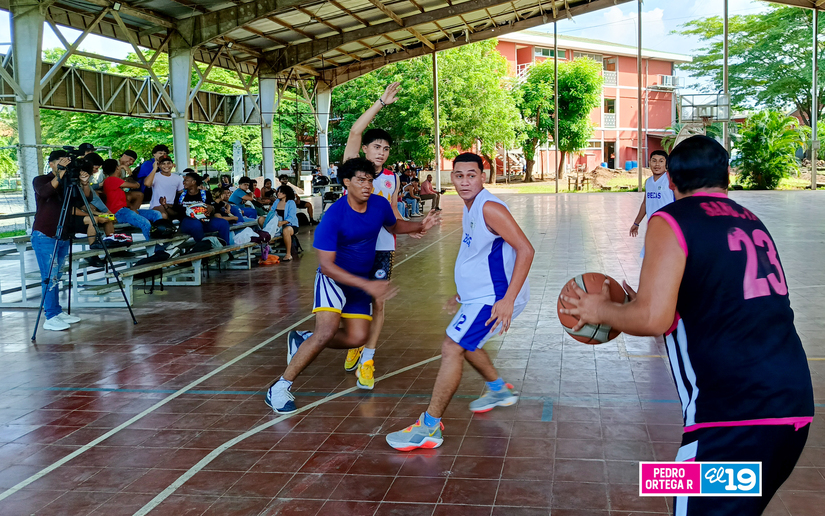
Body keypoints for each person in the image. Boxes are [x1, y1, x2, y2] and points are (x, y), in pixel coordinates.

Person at [561, 135, 813, 515]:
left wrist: (603, 311)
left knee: (689, 495)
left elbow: (652, 318)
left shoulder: (671, 219)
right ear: (727, 175)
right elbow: (714, 299)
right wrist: (643, 300)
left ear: (672, 183)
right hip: (791, 412)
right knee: (682, 484)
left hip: (733, 418)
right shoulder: (749, 219)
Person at [264, 157, 440, 413]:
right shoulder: (334, 215)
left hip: (360, 281)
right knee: (325, 332)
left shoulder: (379, 205)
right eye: (361, 180)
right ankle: (280, 387)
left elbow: (394, 225)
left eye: (370, 180)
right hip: (333, 279)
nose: (367, 185)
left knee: (358, 336)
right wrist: (369, 286)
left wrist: (419, 225)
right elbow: (326, 265)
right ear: (347, 182)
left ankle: (303, 340)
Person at [386, 153, 533, 450]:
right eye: (459, 175)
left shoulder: (490, 208)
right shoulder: (471, 206)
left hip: (494, 298)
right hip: (478, 295)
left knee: (452, 346)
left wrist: (507, 300)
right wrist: (461, 293)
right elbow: (479, 254)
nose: (465, 181)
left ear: (482, 177)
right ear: (451, 177)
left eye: (471, 175)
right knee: (468, 343)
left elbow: (526, 249)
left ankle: (429, 426)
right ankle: (498, 389)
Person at [339, 82, 406, 389]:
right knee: (352, 298)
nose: (382, 152)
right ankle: (355, 337)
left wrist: (413, 228)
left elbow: (392, 217)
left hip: (381, 248)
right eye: (377, 147)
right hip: (351, 248)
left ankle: (367, 359)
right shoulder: (353, 170)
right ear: (365, 150)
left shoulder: (392, 178)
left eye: (386, 148)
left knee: (378, 303)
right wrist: (381, 102)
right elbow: (354, 131)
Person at [31, 150, 95, 331]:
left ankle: (57, 312)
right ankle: (50, 316)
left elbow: (85, 199)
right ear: (51, 163)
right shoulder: (41, 179)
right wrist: (59, 174)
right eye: (61, 161)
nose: (65, 164)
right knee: (49, 277)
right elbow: (45, 193)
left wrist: (84, 183)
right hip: (45, 234)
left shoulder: (69, 181)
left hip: (64, 234)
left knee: (57, 276)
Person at [102, 159, 163, 244]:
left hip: (125, 210)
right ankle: (154, 247)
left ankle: (161, 238)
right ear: (117, 168)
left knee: (156, 214)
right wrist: (130, 177)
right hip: (118, 212)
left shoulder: (112, 180)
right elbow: (136, 185)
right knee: (145, 223)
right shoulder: (112, 179)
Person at [163, 172, 231, 244]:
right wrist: (165, 205)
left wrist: (211, 208)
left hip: (205, 221)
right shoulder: (180, 196)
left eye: (186, 180)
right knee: (196, 224)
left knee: (223, 223)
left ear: (193, 182)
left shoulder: (205, 194)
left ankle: (224, 248)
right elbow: (175, 213)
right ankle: (203, 247)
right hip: (187, 222)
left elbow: (213, 210)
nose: (183, 182)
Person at [629, 150, 674, 238]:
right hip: (652, 227)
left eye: (661, 161)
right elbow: (645, 204)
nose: (657, 164)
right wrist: (636, 223)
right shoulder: (648, 182)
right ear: (649, 163)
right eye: (654, 161)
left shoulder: (671, 179)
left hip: (669, 227)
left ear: (666, 163)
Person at [261, 185, 299, 261]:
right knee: (261, 219)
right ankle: (269, 238)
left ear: (286, 193)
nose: (278, 193)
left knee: (286, 230)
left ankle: (288, 254)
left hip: (290, 225)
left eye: (281, 192)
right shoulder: (277, 201)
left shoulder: (291, 203)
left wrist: (282, 222)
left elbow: (291, 217)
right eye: (278, 192)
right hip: (278, 224)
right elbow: (271, 213)